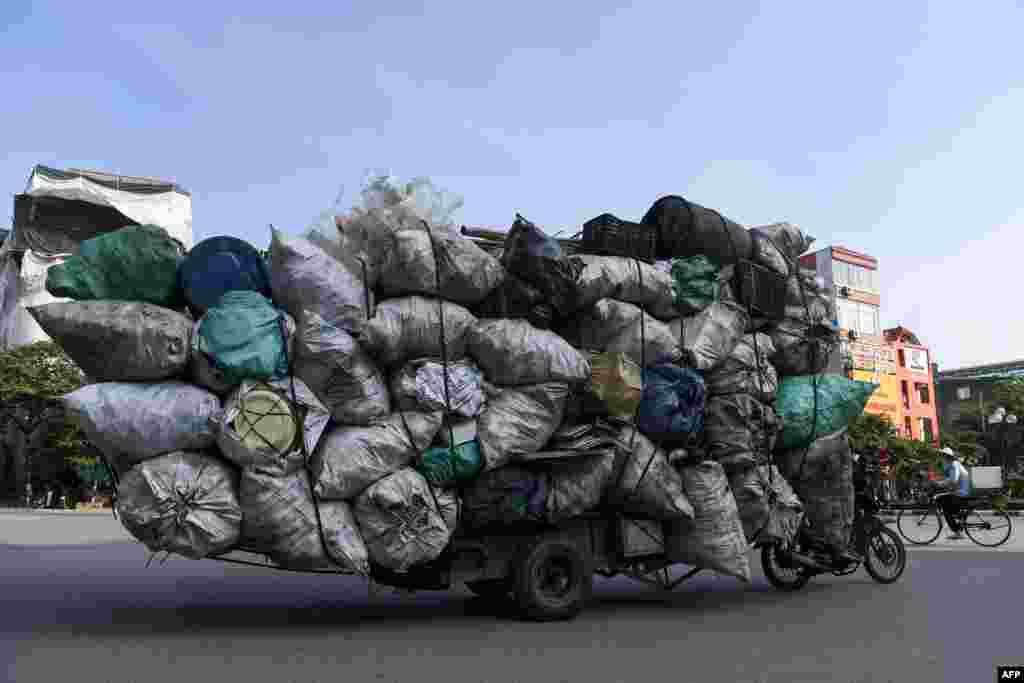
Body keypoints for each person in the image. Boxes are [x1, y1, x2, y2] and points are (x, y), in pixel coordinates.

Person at [936, 446, 971, 540]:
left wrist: (939, 484)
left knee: (944, 506)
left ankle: (957, 531)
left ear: (946, 456)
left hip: (961, 492)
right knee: (946, 502)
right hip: (960, 491)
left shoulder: (953, 465)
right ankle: (958, 519)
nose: (941, 457)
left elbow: (953, 480)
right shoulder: (953, 464)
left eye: (942, 455)